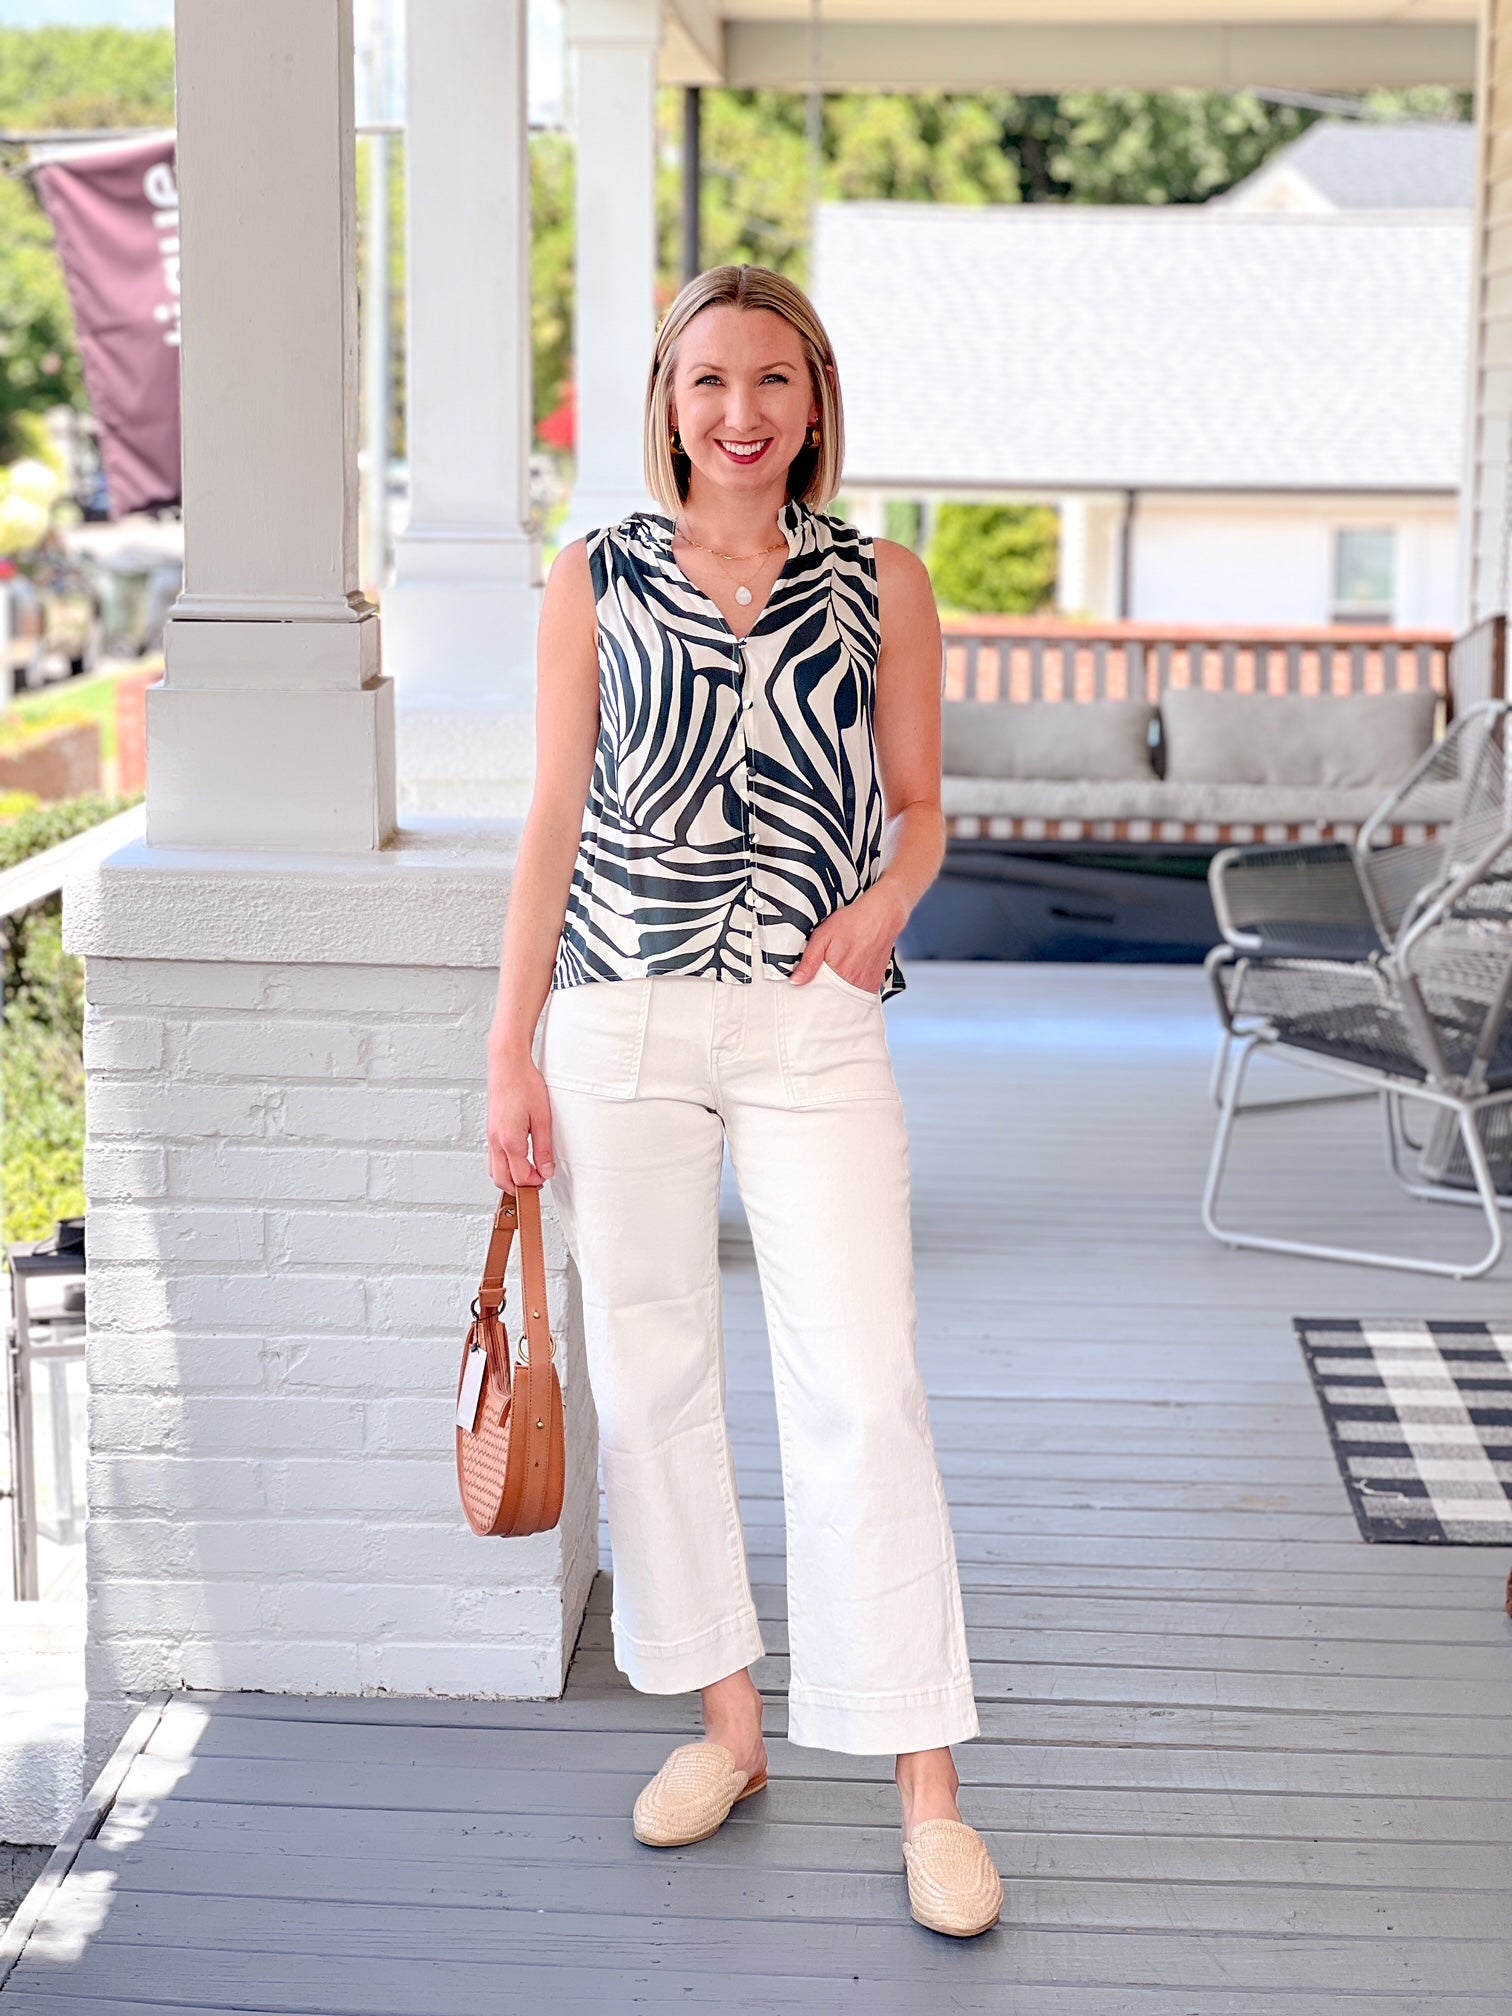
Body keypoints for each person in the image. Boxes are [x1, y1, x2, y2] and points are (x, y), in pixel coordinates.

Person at [486, 264, 1002, 1939]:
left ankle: (925, 1783)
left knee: (866, 1382)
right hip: (618, 1017)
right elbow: (553, 825)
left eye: (771, 379)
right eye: (709, 380)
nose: (740, 412)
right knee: (650, 1377)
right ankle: (730, 1729)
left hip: (808, 1019)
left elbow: (919, 808)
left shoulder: (883, 582)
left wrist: (883, 912)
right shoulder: (596, 575)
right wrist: (509, 1054)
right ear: (668, 398)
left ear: (814, 397)